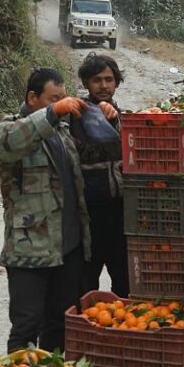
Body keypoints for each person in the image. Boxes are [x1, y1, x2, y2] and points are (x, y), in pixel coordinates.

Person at [0, 67, 91, 353]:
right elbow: (9, 144)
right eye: (52, 99)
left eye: (62, 98)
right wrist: (54, 112)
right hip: (29, 251)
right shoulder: (10, 130)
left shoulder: (62, 132)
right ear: (32, 97)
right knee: (26, 327)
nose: (59, 105)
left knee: (60, 323)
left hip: (66, 247)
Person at [70, 53, 130, 297]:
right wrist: (99, 120)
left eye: (109, 79)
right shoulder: (74, 117)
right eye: (97, 80)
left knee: (125, 283)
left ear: (116, 82)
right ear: (85, 83)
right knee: (85, 284)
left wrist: (116, 122)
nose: (104, 86)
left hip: (121, 213)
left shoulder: (126, 118)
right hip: (87, 216)